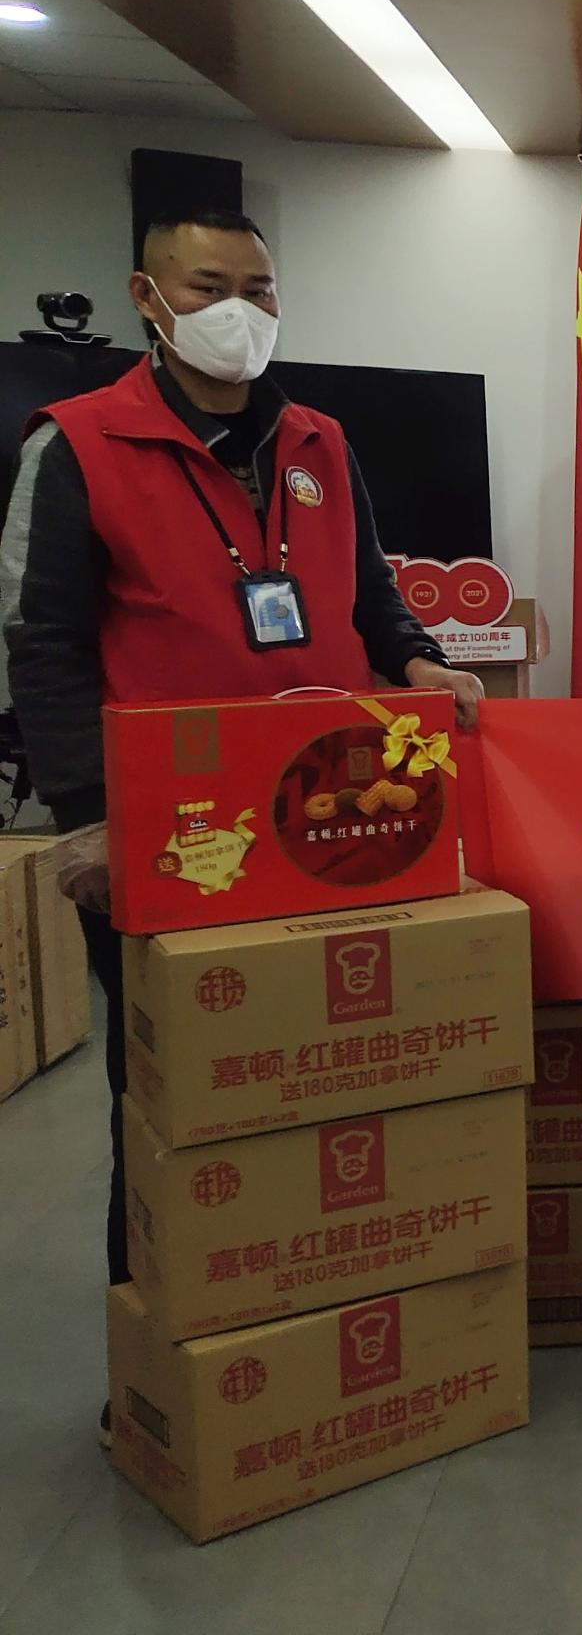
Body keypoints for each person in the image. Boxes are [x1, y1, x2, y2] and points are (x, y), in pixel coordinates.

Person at [0, 208, 479, 1393]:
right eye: (209, 285)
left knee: (329, 1069)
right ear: (147, 297)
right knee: (174, 1103)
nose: (240, 311)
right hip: (172, 834)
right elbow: (41, 642)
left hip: (330, 812)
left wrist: (417, 661)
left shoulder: (319, 440)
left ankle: (319, 1321)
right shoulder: (79, 444)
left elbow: (369, 596)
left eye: (259, 289)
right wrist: (85, 815)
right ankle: (163, 1370)